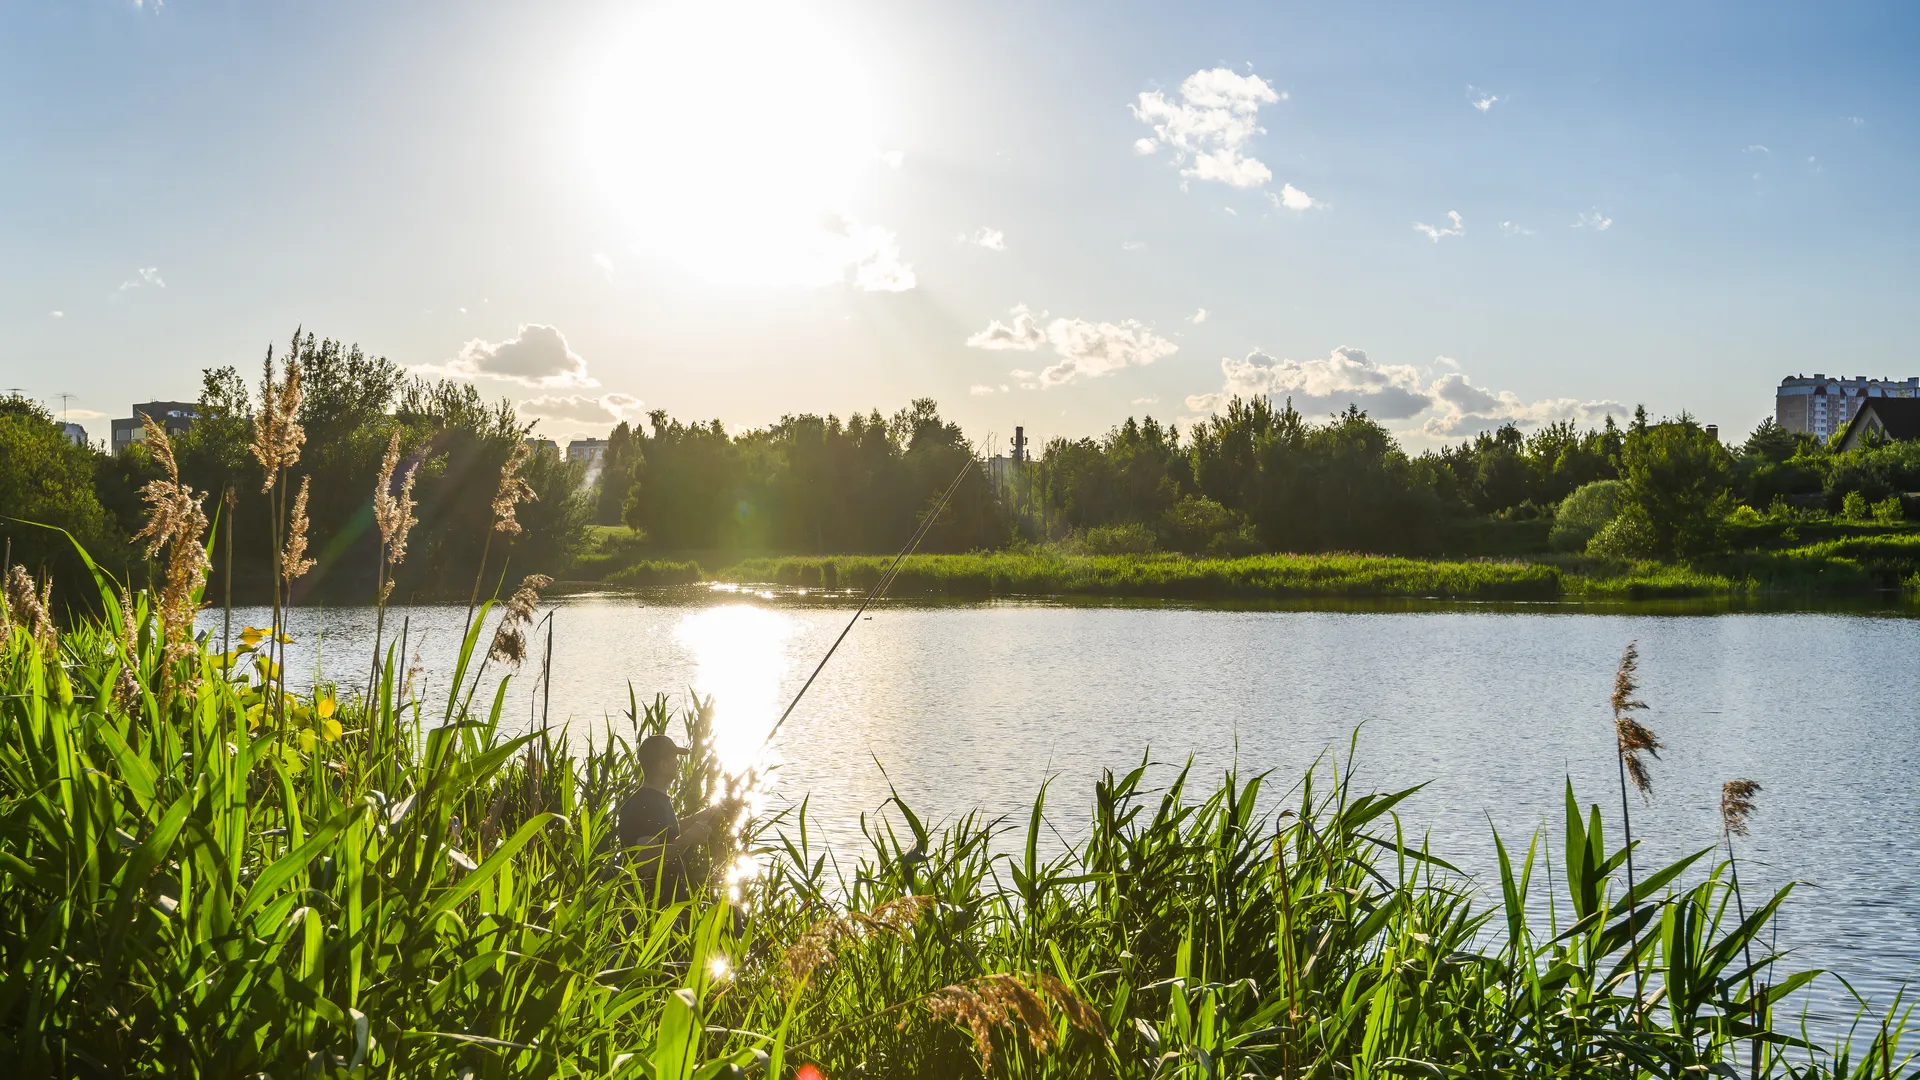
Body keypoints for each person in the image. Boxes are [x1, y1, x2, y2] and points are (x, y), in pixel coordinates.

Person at [617, 734, 733, 896]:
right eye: (674, 758)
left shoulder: (654, 799)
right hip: (652, 908)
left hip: (666, 903)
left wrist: (706, 814)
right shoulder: (644, 805)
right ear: (663, 766)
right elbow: (646, 862)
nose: (678, 762)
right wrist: (688, 839)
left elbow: (663, 832)